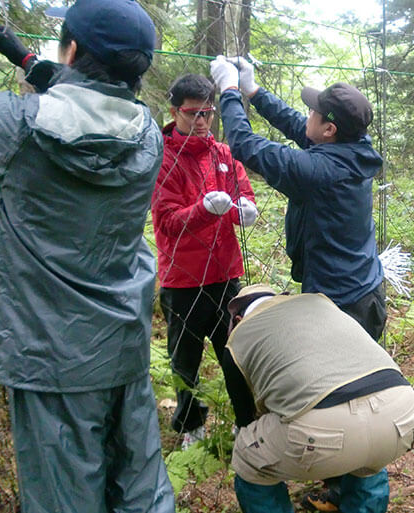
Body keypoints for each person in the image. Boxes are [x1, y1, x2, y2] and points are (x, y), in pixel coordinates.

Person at [0, 1, 175, 512]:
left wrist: (30, 64)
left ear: (72, 49)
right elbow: (91, 103)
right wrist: (24, 57)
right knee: (140, 491)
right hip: (123, 345)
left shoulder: (18, 127)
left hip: (50, 360)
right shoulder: (146, 133)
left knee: (64, 501)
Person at [210, 56, 387, 342]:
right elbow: (299, 126)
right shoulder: (354, 149)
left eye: (314, 111)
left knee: (333, 382)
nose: (308, 112)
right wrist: (253, 91)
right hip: (365, 291)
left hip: (340, 307)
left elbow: (244, 143)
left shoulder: (318, 172)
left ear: (330, 130)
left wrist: (229, 89)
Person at [221, 284, 414, 513]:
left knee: (249, 455)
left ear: (238, 318)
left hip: (321, 432)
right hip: (400, 412)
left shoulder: (239, 339)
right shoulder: (320, 303)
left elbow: (246, 420)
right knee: (366, 461)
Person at [151, 72, 257, 448]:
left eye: (207, 113)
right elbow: (165, 221)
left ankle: (245, 419)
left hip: (226, 273)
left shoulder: (223, 154)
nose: (201, 121)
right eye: (192, 113)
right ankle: (191, 425)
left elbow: (241, 192)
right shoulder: (163, 158)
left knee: (236, 351)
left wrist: (245, 209)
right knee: (185, 359)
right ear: (174, 110)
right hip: (183, 278)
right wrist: (202, 210)